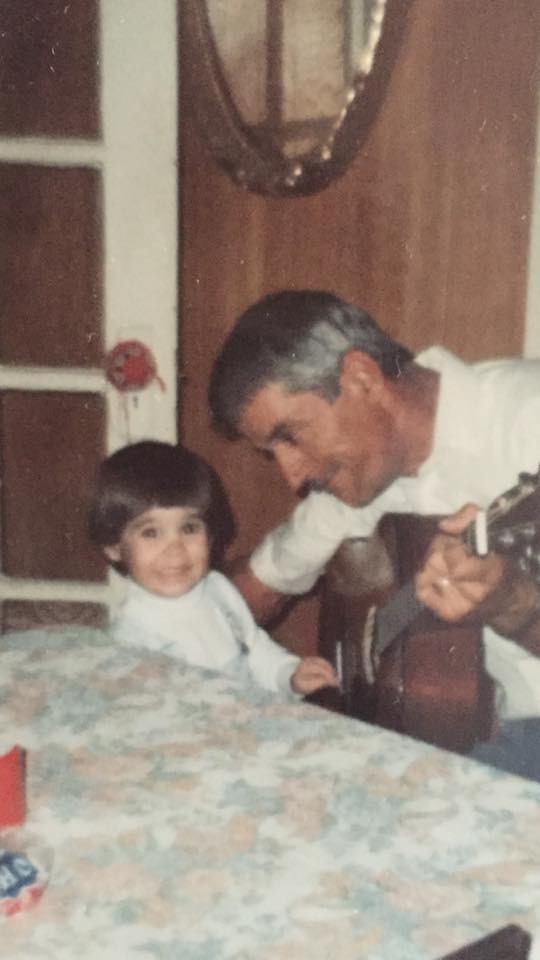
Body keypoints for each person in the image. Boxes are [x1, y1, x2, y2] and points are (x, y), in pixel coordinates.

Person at [208, 289, 540, 779]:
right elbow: (248, 592)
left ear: (361, 379)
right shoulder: (363, 477)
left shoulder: (527, 419)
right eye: (271, 452)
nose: (293, 476)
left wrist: (515, 604)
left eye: (290, 436)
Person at [88, 440, 337, 699]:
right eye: (151, 533)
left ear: (209, 535)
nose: (175, 549)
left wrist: (288, 675)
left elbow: (254, 649)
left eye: (189, 528)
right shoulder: (131, 639)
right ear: (114, 547)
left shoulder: (218, 589)